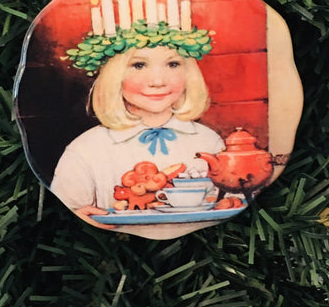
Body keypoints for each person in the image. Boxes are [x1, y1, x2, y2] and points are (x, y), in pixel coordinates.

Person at [50, 44, 223, 229]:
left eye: (172, 64)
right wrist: (76, 216)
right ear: (113, 75)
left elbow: (234, 198)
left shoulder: (209, 142)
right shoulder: (86, 149)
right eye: (139, 65)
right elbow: (61, 212)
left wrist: (231, 202)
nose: (158, 81)